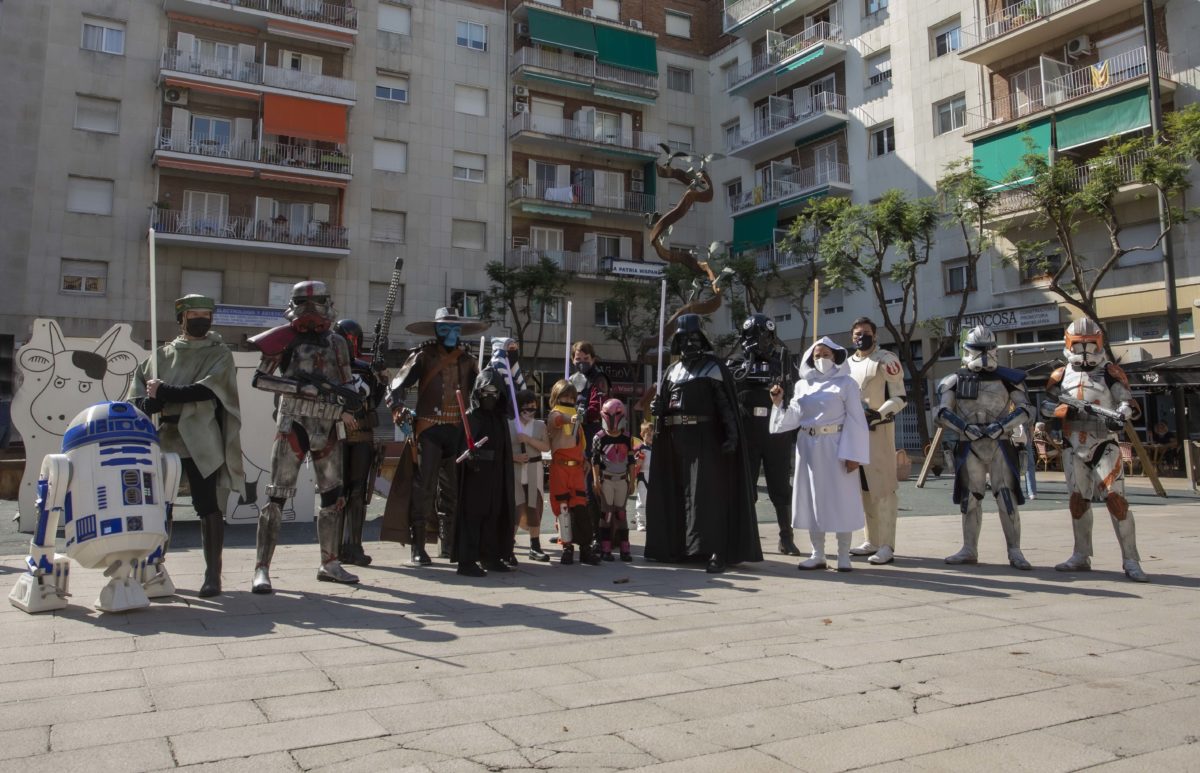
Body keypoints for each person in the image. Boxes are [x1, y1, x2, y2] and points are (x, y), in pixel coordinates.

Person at [247, 281, 367, 592]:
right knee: (276, 496)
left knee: (332, 497)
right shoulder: (284, 338)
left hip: (327, 425)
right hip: (294, 421)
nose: (311, 310)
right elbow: (260, 379)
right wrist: (301, 388)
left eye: (317, 303)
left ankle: (329, 562)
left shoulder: (338, 342)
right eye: (304, 303)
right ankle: (262, 568)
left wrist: (350, 403)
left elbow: (346, 380)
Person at [128, 294, 244, 598]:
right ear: (182, 317)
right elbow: (135, 401)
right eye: (195, 314)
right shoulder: (159, 357)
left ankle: (212, 576)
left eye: (206, 314)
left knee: (208, 505)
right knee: (160, 506)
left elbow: (207, 390)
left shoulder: (219, 353)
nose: (201, 319)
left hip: (201, 436)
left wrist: (166, 390)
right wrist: (151, 401)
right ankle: (154, 569)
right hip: (166, 437)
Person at [645, 314, 762, 573]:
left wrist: (732, 436)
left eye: (694, 338)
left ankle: (716, 551)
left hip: (706, 439)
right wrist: (657, 408)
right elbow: (663, 409)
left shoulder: (714, 368)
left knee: (708, 497)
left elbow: (725, 406)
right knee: (678, 494)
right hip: (675, 440)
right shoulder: (671, 371)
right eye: (684, 339)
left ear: (703, 339)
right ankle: (682, 548)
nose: (689, 343)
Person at [1043, 318, 1148, 582]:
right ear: (1069, 344)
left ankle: (1131, 559)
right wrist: (1060, 410)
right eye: (1079, 345)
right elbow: (1045, 407)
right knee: (1078, 502)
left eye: (1091, 344)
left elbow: (1128, 403)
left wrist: (1119, 415)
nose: (1086, 351)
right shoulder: (1060, 374)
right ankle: (1081, 554)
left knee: (1116, 501)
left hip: (1104, 442)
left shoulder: (1109, 372)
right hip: (1072, 445)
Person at [381, 307, 483, 565]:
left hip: (457, 431)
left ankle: (449, 544)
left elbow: (482, 392)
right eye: (445, 328)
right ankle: (418, 546)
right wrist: (398, 407)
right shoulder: (423, 356)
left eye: (455, 328)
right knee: (424, 488)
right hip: (429, 430)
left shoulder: (469, 360)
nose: (451, 333)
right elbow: (395, 387)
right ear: (437, 330)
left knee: (453, 490)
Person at [934, 325, 1034, 570]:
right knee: (970, 499)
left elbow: (1026, 410)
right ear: (967, 350)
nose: (983, 354)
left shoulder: (1009, 379)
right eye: (978, 349)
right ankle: (969, 548)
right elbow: (942, 412)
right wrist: (964, 428)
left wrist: (1001, 426)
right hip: (970, 444)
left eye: (988, 348)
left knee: (1006, 497)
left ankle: (1015, 550)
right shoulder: (954, 380)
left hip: (1000, 443)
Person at [768, 337, 870, 572]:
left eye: (825, 355)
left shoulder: (847, 383)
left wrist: (854, 453)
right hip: (808, 447)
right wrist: (777, 403)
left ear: (835, 356)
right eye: (817, 356)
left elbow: (856, 419)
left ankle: (843, 554)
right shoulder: (803, 385)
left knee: (841, 499)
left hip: (837, 446)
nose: (821, 359)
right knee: (814, 499)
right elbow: (792, 418)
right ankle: (818, 553)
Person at [727, 313, 800, 556]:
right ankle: (745, 537)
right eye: (755, 336)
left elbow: (797, 392)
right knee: (746, 487)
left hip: (776, 433)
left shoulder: (783, 361)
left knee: (780, 486)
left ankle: (786, 537)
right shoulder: (736, 363)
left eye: (765, 336)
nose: (760, 341)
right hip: (747, 433)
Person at [846, 317, 908, 565]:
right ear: (852, 337)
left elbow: (901, 397)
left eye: (867, 332)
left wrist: (879, 413)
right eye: (858, 333)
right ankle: (870, 540)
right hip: (852, 432)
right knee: (863, 489)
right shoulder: (847, 364)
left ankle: (886, 545)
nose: (862, 336)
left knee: (883, 488)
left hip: (878, 430)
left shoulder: (886, 360)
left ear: (875, 335)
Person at [452, 366, 517, 577]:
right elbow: (459, 450)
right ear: (478, 393)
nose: (490, 397)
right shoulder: (471, 417)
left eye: (494, 393)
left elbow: (504, 449)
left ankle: (490, 556)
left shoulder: (500, 420)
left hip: (497, 473)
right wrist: (468, 457)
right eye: (485, 392)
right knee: (473, 516)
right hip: (476, 475)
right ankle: (467, 561)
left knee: (494, 514)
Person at [332, 319, 386, 567]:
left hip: (363, 435)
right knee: (335, 493)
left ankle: (353, 545)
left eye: (355, 339)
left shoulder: (366, 369)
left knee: (358, 492)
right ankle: (332, 548)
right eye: (347, 339)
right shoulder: (328, 368)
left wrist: (381, 378)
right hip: (337, 435)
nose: (352, 344)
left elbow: (375, 400)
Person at [547, 379, 600, 565]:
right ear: (557, 396)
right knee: (563, 510)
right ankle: (567, 547)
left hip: (576, 468)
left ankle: (585, 548)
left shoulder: (576, 415)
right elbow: (556, 421)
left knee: (581, 508)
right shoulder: (555, 413)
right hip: (560, 468)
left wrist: (585, 459)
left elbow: (580, 442)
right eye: (565, 396)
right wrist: (571, 418)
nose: (568, 399)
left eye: (571, 396)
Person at [591, 398, 634, 562]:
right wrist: (596, 480)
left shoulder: (627, 437)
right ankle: (605, 549)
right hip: (606, 480)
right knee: (606, 515)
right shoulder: (599, 437)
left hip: (622, 480)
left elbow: (631, 460)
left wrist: (632, 480)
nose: (612, 419)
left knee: (621, 514)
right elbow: (594, 460)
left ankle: (625, 548)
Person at [510, 389, 550, 564]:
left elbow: (546, 447)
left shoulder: (540, 425)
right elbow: (502, 449)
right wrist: (514, 457)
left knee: (534, 507)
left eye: (533, 407)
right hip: (515, 470)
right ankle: (508, 547)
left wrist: (528, 440)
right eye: (526, 408)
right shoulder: (509, 424)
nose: (530, 412)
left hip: (534, 468)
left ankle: (535, 546)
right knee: (515, 509)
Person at [631, 420, 654, 532]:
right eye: (648, 434)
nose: (651, 437)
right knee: (642, 499)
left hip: (654, 476)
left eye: (653, 435)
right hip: (643, 476)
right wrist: (637, 462)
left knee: (653, 500)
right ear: (642, 435)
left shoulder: (657, 448)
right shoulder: (639, 448)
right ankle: (641, 522)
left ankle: (651, 521)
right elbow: (633, 464)